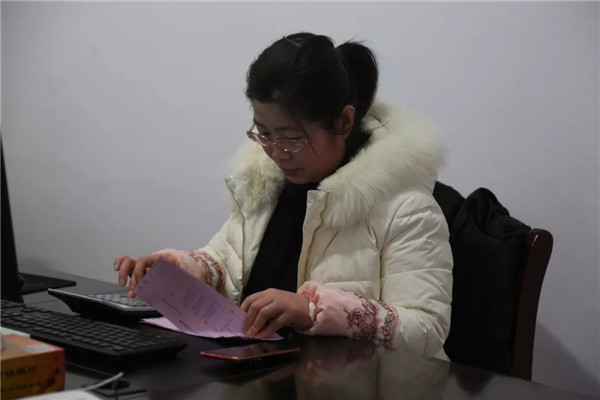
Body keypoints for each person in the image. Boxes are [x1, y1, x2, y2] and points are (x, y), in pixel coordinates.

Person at [114, 32, 453, 358]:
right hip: (254, 374)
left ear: (344, 121)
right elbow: (223, 262)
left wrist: (312, 310)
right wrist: (180, 269)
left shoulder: (405, 208)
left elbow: (427, 329)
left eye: (292, 138)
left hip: (350, 385)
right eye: (263, 133)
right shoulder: (265, 184)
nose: (276, 153)